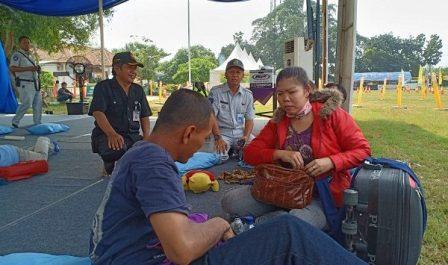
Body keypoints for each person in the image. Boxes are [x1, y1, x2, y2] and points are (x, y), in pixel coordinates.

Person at [89, 89, 366, 265]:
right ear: (188, 132)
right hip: (145, 259)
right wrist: (220, 225)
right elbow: (182, 251)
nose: (203, 145)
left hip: (126, 253)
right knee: (288, 231)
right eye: (204, 138)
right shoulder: (154, 164)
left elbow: (360, 149)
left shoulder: (142, 152)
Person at [222, 67, 371, 229]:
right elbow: (250, 154)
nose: (285, 99)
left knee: (295, 222)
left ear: (307, 90)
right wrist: (279, 154)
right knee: (230, 202)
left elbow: (363, 151)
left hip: (321, 196)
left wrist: (331, 161)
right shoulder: (279, 121)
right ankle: (278, 221)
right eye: (280, 94)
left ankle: (274, 222)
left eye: (292, 92)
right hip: (282, 188)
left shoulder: (332, 115)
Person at [88, 52, 152, 176]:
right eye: (130, 68)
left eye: (135, 68)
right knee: (116, 150)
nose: (133, 72)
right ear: (117, 68)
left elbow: (144, 115)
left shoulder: (138, 90)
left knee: (151, 153)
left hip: (132, 137)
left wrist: (147, 137)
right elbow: (98, 112)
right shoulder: (103, 87)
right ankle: (109, 164)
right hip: (107, 136)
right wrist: (111, 134)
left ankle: (128, 162)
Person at [208, 59, 255, 161]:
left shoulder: (248, 95)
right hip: (222, 133)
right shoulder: (216, 92)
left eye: (238, 72)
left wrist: (246, 137)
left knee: (257, 151)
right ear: (225, 74)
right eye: (231, 72)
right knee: (219, 157)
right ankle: (230, 150)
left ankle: (235, 150)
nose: (235, 75)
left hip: (240, 133)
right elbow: (211, 117)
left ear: (243, 76)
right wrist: (218, 138)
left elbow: (249, 119)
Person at [10, 36, 42, 128]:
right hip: (25, 82)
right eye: (24, 42)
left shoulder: (31, 56)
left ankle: (37, 123)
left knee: (38, 103)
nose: (27, 44)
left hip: (35, 82)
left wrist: (37, 70)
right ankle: (15, 121)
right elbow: (12, 68)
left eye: (28, 42)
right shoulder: (17, 55)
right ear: (19, 44)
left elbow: (33, 68)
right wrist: (29, 68)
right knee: (27, 103)